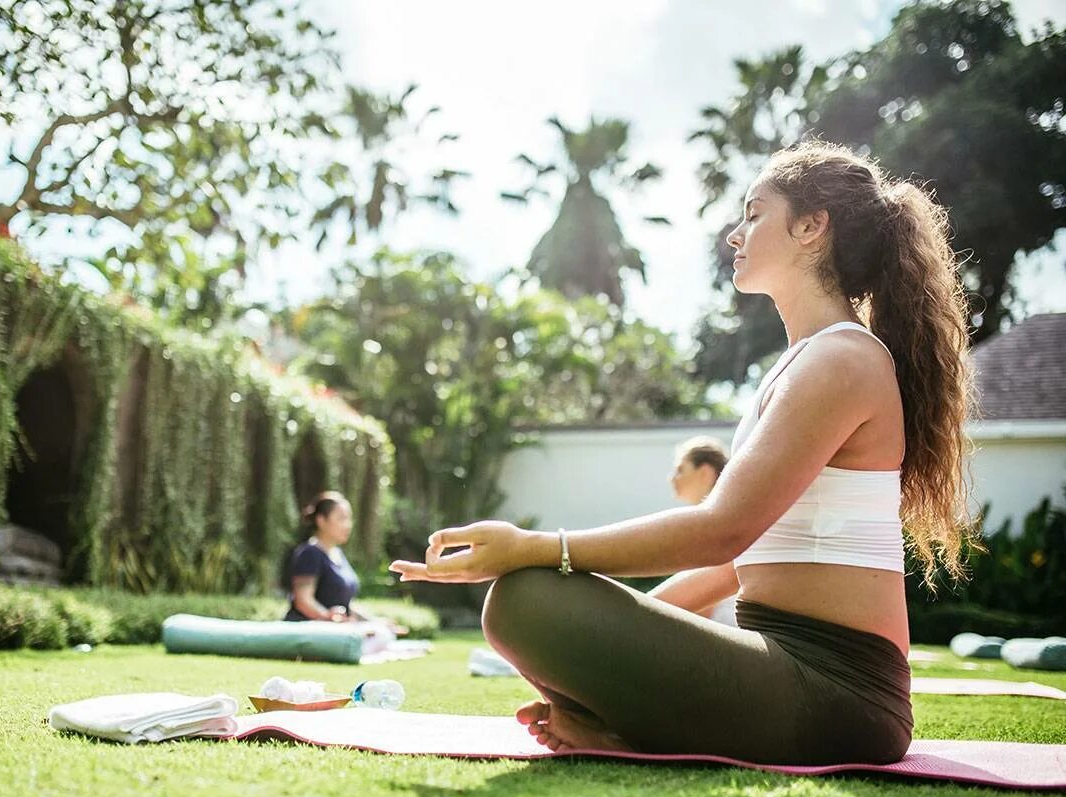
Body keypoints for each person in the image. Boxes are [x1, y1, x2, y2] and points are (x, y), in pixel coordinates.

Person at [390, 140, 974, 765]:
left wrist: (535, 549)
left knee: (524, 598)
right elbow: (737, 564)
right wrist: (623, 622)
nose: (735, 233)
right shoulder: (807, 363)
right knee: (534, 599)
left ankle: (619, 726)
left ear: (811, 226)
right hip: (781, 666)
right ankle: (616, 727)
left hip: (842, 692)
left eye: (754, 213)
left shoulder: (843, 359)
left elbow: (721, 532)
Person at [283, 491, 408, 635]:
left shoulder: (338, 554)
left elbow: (346, 605)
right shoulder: (310, 553)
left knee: (383, 633)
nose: (348, 525)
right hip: (308, 632)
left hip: (335, 631)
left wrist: (374, 622)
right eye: (341, 518)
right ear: (321, 520)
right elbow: (303, 600)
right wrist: (327, 616)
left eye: (349, 519)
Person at [652, 437, 737, 627]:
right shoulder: (718, 523)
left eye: (680, 469)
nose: (672, 478)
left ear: (705, 473)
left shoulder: (715, 528)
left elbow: (701, 609)